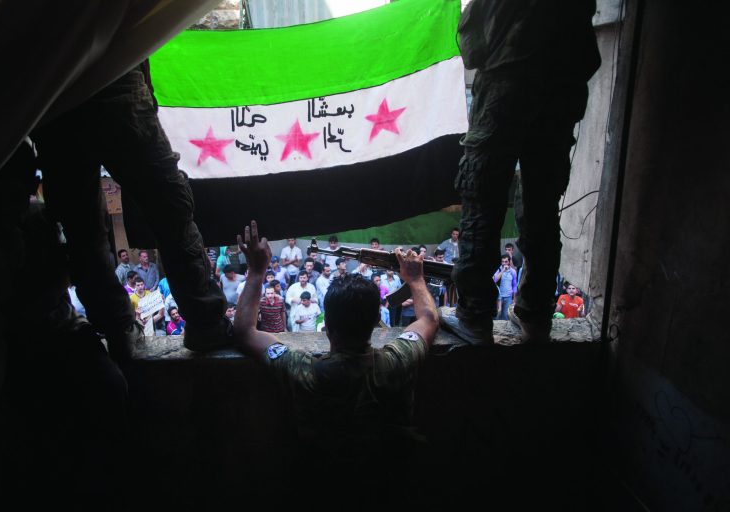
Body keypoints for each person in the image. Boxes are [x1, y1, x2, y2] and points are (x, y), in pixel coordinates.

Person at [32, 61, 232, 358]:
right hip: (106, 80)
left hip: (56, 89)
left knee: (82, 227)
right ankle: (203, 319)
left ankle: (119, 328)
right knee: (167, 207)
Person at [233, 220, 439, 500]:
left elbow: (245, 331)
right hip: (389, 485)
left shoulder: (303, 371)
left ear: (326, 326)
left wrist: (256, 271)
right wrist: (415, 279)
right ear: (375, 323)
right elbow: (428, 319)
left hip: (323, 487)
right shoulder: (398, 361)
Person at [444, 0, 601, 344]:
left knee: (480, 196)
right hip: (560, 99)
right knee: (542, 206)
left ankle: (474, 313)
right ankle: (535, 312)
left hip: (505, 91)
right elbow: (590, 58)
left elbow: (473, 47)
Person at [493, 255, 518, 320]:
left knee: (506, 317)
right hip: (499, 298)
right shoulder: (498, 269)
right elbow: (494, 280)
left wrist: (514, 299)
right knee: (497, 316)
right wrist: (502, 270)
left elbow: (514, 286)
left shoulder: (513, 271)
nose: (504, 263)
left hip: (508, 297)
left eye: (506, 261)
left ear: (509, 262)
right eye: (502, 262)